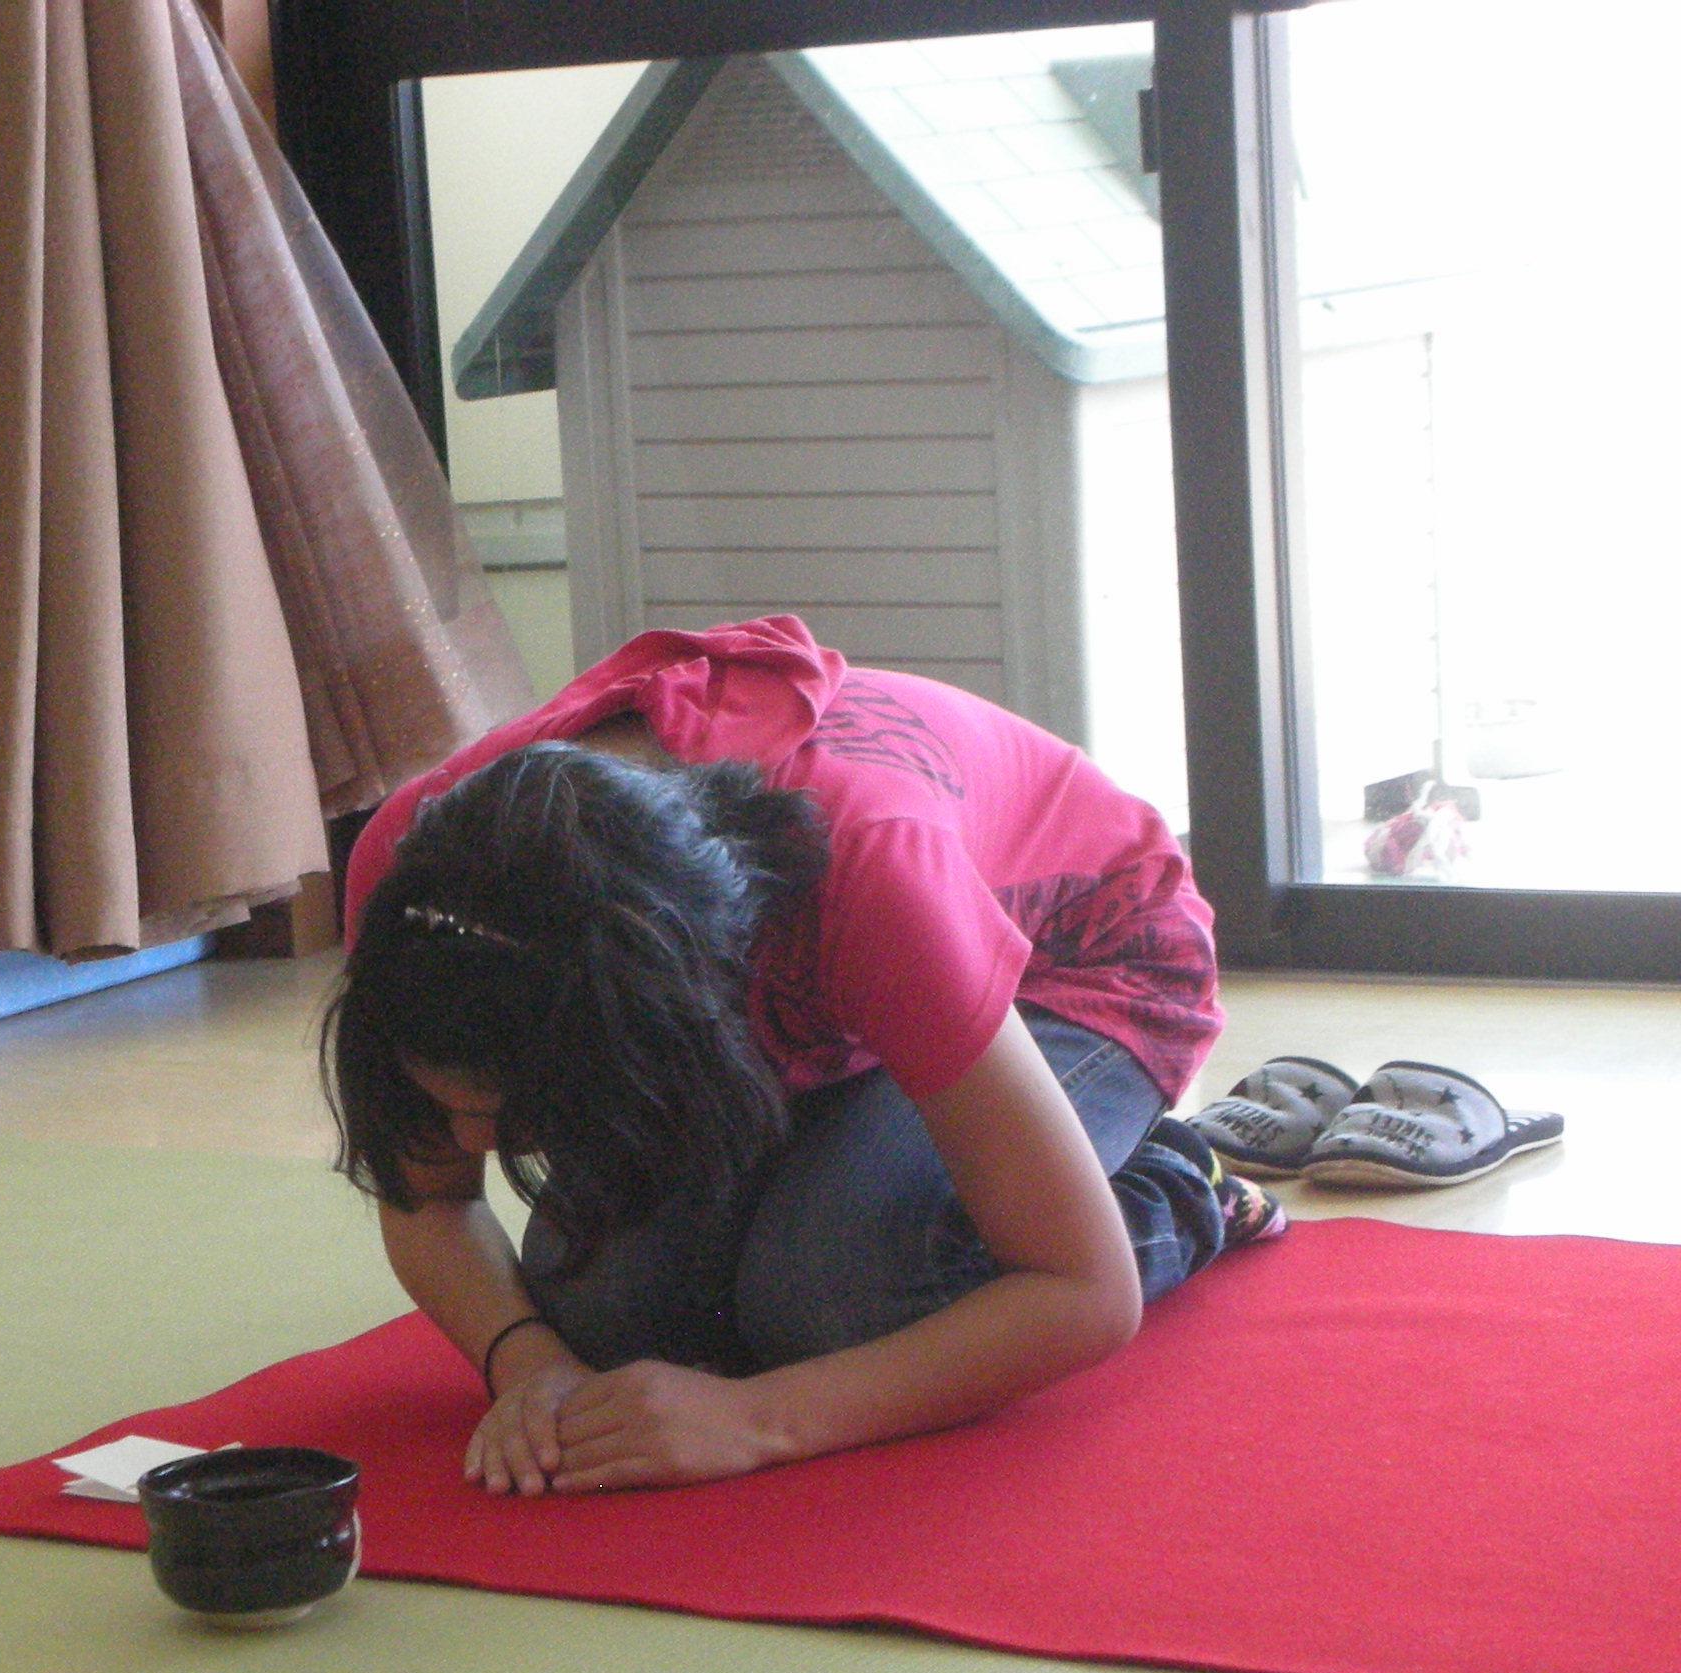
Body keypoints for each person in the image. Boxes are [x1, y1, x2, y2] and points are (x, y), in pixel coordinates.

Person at [323, 615, 1277, 1499]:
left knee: (834, 1296)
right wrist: (534, 1367)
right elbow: (431, 1199)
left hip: (1074, 968)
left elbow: (1080, 1293)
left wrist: (758, 1420)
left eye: (508, 1110)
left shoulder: (872, 873)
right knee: (606, 1314)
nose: (471, 1142)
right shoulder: (417, 885)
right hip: (843, 1006)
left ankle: (1171, 1183)